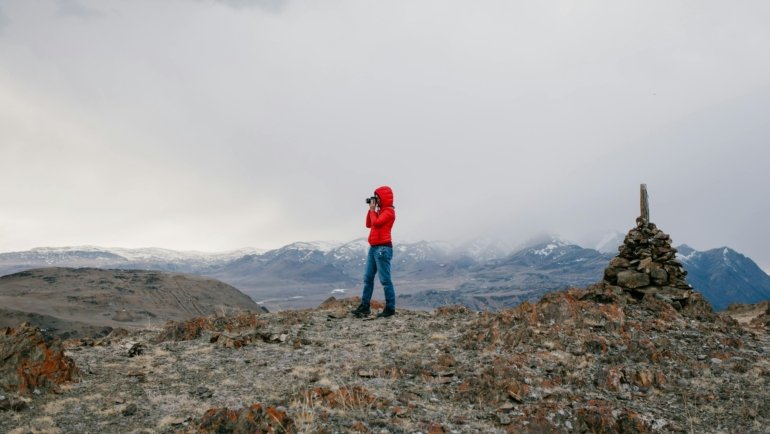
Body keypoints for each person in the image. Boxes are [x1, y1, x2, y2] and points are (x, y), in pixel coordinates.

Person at [351, 186, 396, 318]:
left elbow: (376, 223)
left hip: (383, 248)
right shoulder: (379, 211)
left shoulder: (389, 212)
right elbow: (368, 224)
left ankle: (390, 308)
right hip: (373, 248)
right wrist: (371, 210)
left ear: (383, 198)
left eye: (377, 197)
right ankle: (365, 307)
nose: (376, 200)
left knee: (385, 280)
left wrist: (372, 210)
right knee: (368, 277)